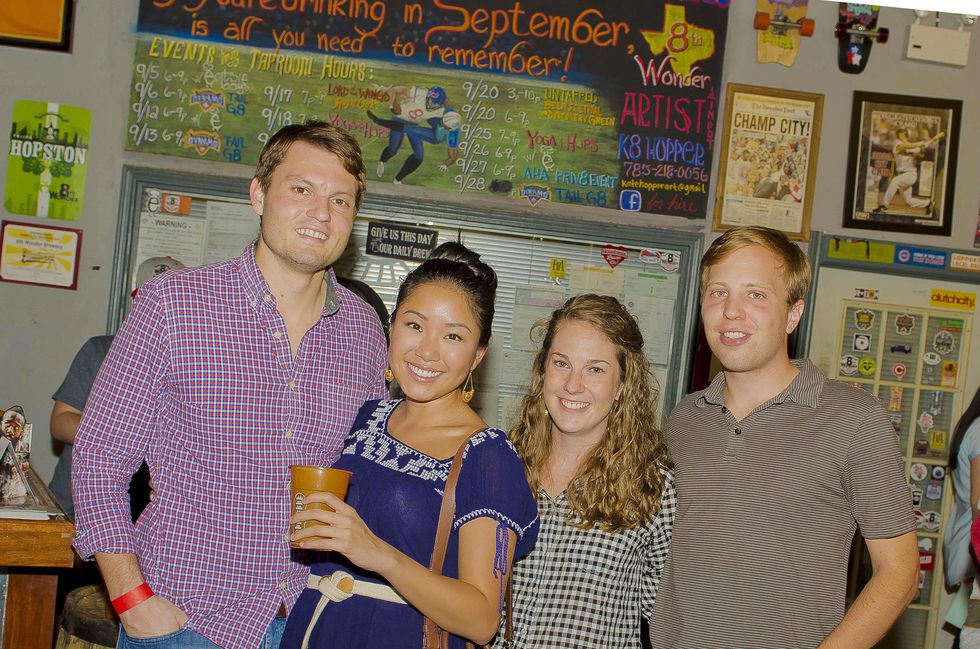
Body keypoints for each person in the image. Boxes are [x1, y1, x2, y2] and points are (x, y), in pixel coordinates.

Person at [71, 121, 388, 649]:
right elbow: (100, 457)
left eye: (340, 201)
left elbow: (365, 472)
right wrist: (132, 601)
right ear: (259, 194)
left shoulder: (362, 331)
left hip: (311, 619)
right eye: (301, 189)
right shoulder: (173, 305)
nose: (321, 213)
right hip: (185, 621)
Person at [648, 226, 918, 649]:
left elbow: (900, 574)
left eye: (755, 294)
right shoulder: (684, 419)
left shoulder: (855, 420)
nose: (731, 311)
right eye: (718, 293)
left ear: (793, 314)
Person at [281, 242, 538, 649]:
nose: (426, 351)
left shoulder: (488, 456)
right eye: (414, 325)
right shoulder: (366, 416)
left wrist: (377, 554)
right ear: (392, 326)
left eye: (453, 336)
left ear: (477, 356)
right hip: (313, 629)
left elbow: (481, 619)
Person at [499, 294, 675, 648]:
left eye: (595, 369)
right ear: (542, 370)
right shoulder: (500, 464)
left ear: (623, 384)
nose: (573, 385)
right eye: (561, 363)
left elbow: (668, 617)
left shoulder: (652, 488)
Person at [49, 256, 184, 521]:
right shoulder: (101, 350)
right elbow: (60, 422)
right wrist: (128, 435)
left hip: (151, 518)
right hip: (76, 508)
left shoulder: (197, 364)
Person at [944, 387, 980, 647]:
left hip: (969, 543)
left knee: (971, 623)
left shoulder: (974, 426)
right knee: (973, 628)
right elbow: (978, 501)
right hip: (975, 545)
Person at [371, 85, 457, 184]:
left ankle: (398, 179)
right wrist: (392, 102)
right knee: (393, 149)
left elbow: (449, 115)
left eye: (435, 104)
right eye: (431, 101)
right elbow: (397, 89)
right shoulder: (420, 93)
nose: (432, 105)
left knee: (419, 157)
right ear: (428, 96)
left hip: (413, 125)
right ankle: (382, 161)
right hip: (399, 119)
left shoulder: (440, 111)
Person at [872, 128, 945, 215]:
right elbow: (904, 147)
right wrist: (919, 144)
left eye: (902, 134)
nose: (900, 136)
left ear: (906, 135)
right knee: (909, 201)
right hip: (902, 175)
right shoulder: (897, 143)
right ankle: (928, 203)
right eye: (899, 134)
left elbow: (920, 155)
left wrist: (921, 149)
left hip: (910, 175)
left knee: (895, 181)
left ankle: (884, 206)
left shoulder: (913, 146)